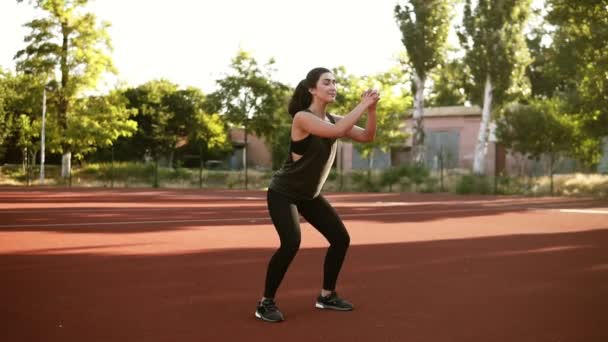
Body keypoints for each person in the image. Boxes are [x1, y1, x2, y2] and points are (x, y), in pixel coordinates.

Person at [255, 67, 380, 323]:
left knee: (340, 239)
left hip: (309, 195)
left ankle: (326, 296)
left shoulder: (334, 119)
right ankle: (265, 303)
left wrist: (371, 110)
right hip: (284, 193)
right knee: (291, 242)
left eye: (335, 82)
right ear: (312, 89)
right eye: (327, 82)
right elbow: (335, 132)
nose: (333, 86)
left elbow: (367, 136)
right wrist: (362, 102)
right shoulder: (303, 118)